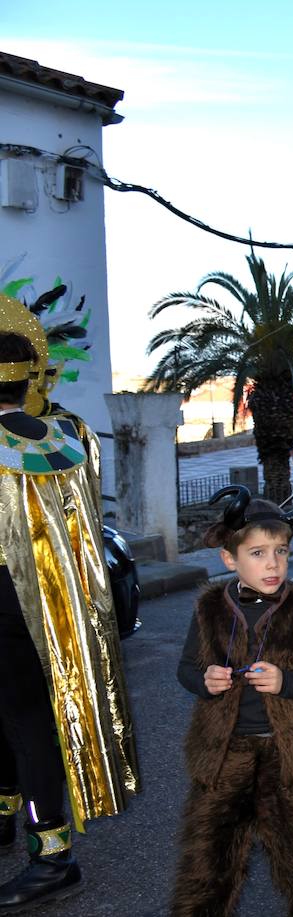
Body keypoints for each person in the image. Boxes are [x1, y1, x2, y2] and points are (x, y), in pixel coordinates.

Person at [0, 316, 140, 913]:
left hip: (6, 603)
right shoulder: (67, 435)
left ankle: (53, 856)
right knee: (15, 716)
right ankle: (10, 816)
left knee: (24, 723)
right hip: (59, 608)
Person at [171, 484, 293, 916]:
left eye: (281, 551)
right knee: (207, 865)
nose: (273, 564)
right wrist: (204, 679)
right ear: (230, 559)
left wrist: (287, 682)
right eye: (258, 553)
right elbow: (186, 670)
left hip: (292, 758)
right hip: (224, 754)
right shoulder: (210, 607)